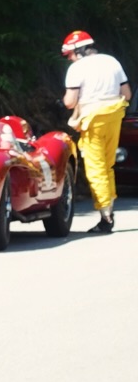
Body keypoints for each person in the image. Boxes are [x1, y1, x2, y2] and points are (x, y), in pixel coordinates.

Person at [61, 29, 131, 234]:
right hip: (115, 116)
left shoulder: (77, 69)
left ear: (78, 51)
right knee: (108, 166)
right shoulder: (112, 61)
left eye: (70, 55)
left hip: (93, 119)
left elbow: (70, 101)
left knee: (95, 167)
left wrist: (63, 102)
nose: (69, 59)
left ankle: (105, 215)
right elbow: (126, 94)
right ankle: (109, 208)